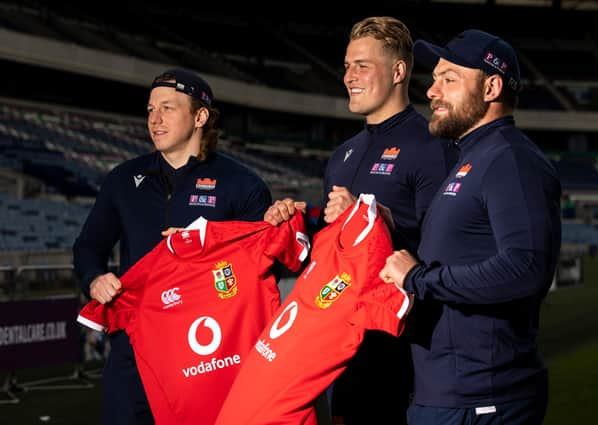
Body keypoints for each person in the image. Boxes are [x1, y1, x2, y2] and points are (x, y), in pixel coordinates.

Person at [263, 16, 456, 425]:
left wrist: (373, 223)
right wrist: (296, 223)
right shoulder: (343, 154)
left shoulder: (431, 148)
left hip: (402, 351)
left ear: (399, 71)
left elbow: (443, 255)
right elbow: (330, 251)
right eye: (347, 65)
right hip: (341, 345)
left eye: (362, 66)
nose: (348, 76)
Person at [379, 29, 561, 425]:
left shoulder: (510, 160)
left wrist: (420, 279)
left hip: (482, 400)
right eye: (434, 79)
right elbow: (455, 254)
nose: (431, 91)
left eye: (449, 79)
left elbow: (526, 268)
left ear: (492, 86)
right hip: (445, 395)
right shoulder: (472, 158)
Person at [73, 68, 272, 425]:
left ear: (200, 116)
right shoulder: (123, 179)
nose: (154, 119)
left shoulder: (243, 185)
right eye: (150, 109)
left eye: (167, 107)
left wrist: (206, 246)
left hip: (207, 354)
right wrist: (94, 277)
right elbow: (89, 245)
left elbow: (260, 264)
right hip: (133, 350)